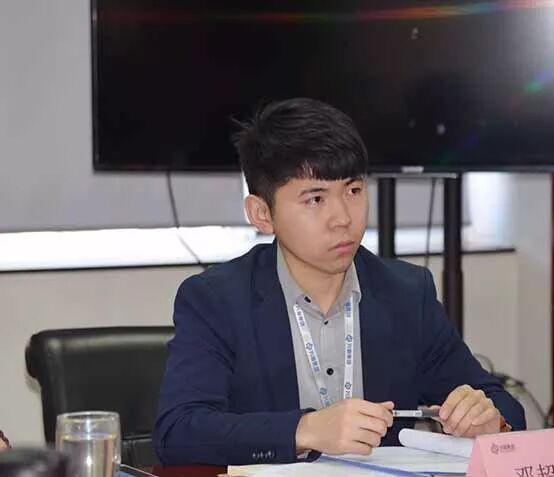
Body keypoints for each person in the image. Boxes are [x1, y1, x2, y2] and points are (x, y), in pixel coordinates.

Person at [153, 97, 525, 466]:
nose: (343, 218)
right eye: (316, 199)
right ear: (262, 214)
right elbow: (178, 432)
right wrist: (305, 430)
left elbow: (504, 407)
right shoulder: (216, 300)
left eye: (353, 191)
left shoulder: (408, 294)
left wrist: (489, 419)